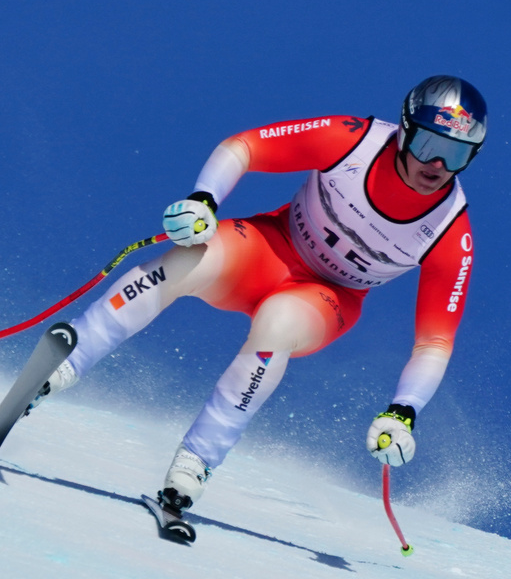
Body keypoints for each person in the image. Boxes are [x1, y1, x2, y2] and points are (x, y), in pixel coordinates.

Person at [32, 75, 487, 515]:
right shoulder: (352, 140)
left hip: (327, 297)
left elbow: (435, 341)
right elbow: (243, 147)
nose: (437, 167)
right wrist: (203, 201)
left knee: (279, 325)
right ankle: (67, 361)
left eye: (457, 154)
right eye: (430, 145)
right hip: (270, 246)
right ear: (405, 129)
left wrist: (403, 412)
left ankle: (193, 466)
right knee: (188, 259)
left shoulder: (450, 233)